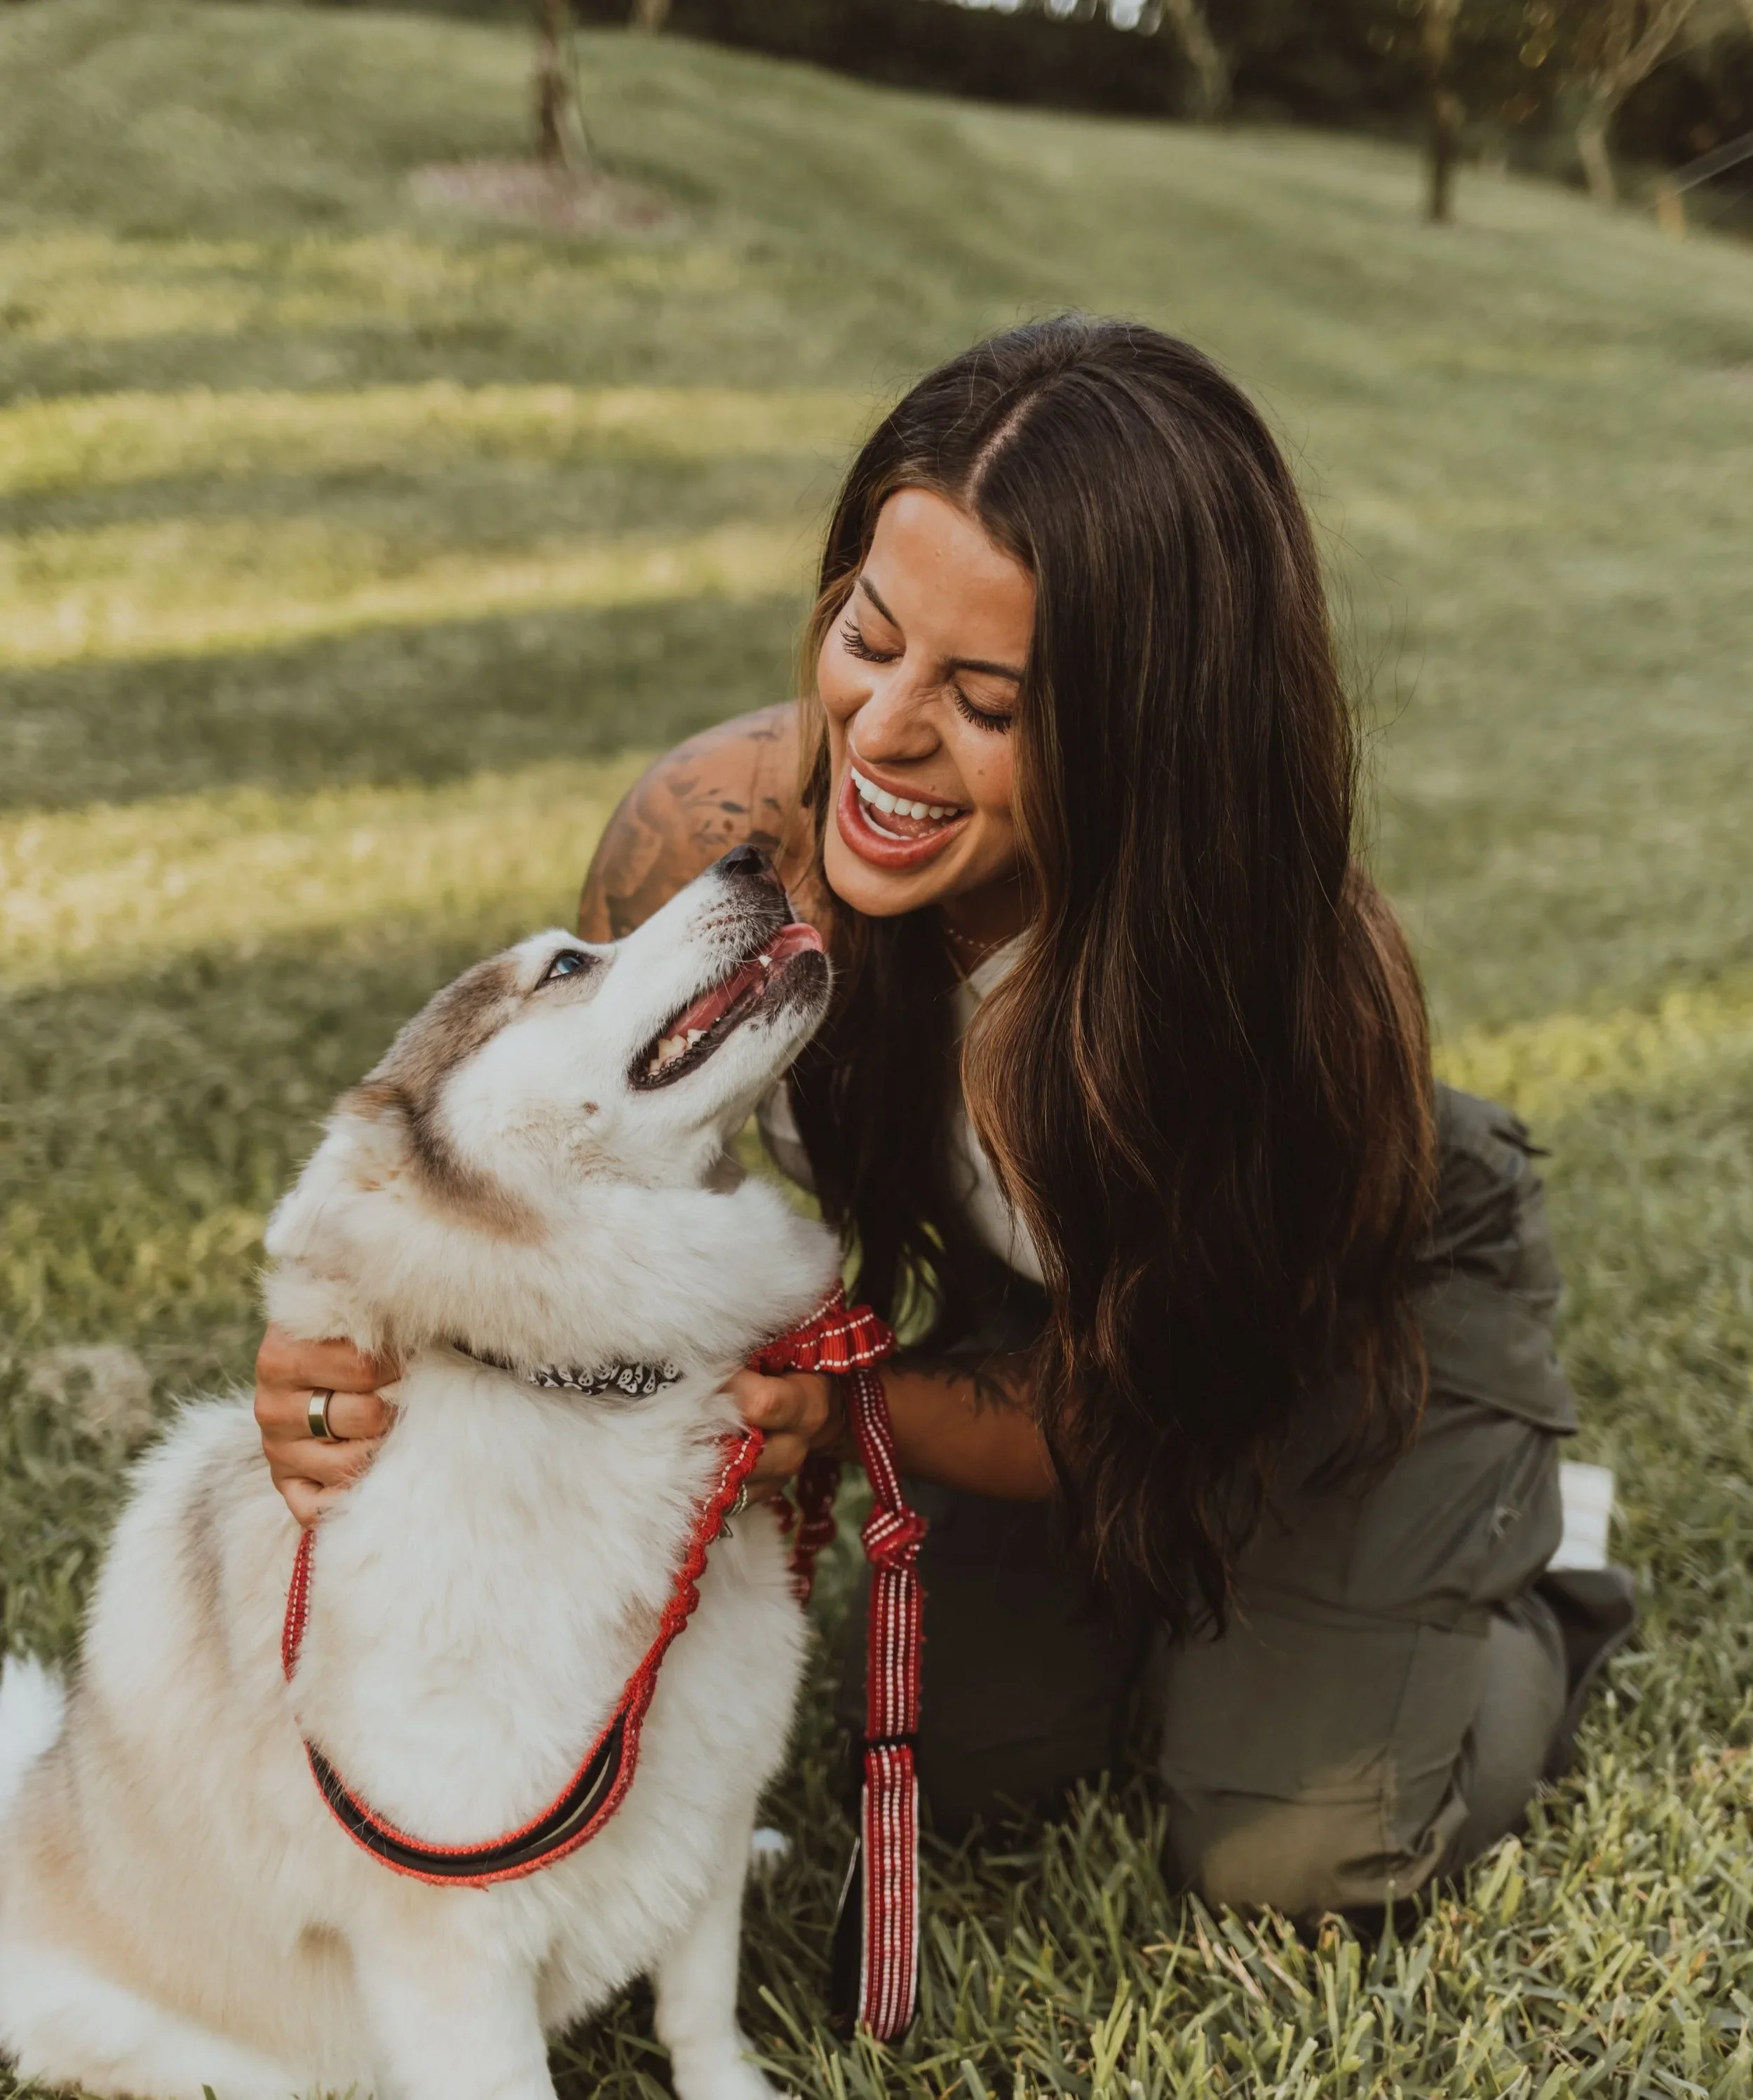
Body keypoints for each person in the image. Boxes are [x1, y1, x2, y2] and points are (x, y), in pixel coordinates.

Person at [255, 316, 1632, 1919]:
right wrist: (359, 1359)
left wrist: (841, 1404)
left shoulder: (1274, 1000)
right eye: (868, 630)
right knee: (966, 1772)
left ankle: (1516, 1560)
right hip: (1040, 1305)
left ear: (1148, 737)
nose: (883, 733)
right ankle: (1207, 1625)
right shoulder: (710, 844)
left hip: (1319, 1320)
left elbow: (1129, 1411)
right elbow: (565, 1195)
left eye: (984, 697)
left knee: (1292, 1858)